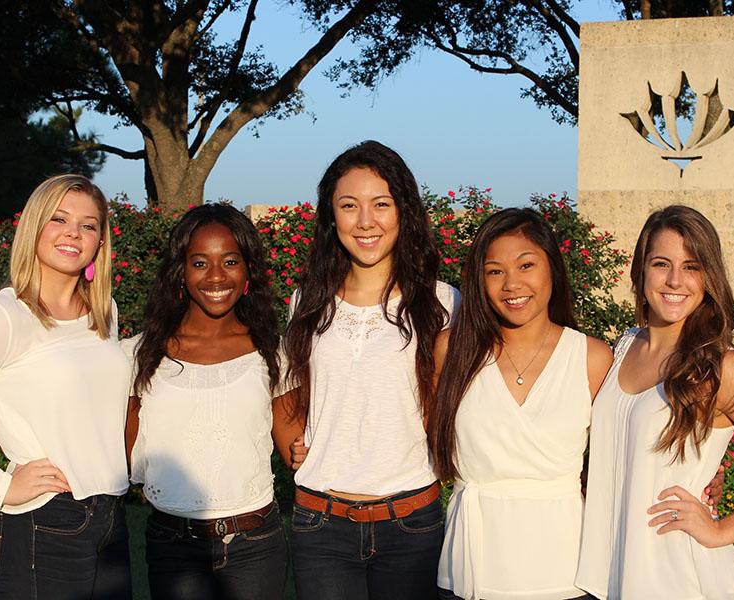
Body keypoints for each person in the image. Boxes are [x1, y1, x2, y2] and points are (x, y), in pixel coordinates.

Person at [575, 205, 734, 599]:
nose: (675, 280)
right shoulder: (623, 346)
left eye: (691, 266)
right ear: (640, 271)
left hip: (680, 577)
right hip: (612, 574)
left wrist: (721, 529)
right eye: (660, 263)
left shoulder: (722, 367)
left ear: (709, 278)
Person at [0, 174, 132, 598]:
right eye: (59, 219)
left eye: (89, 225)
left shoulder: (104, 311)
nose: (74, 233)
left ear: (100, 243)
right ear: (34, 227)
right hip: (45, 522)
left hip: (111, 518)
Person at [274, 140, 459, 600]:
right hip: (321, 524)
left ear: (404, 212)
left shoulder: (443, 302)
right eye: (349, 206)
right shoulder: (307, 301)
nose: (365, 221)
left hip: (411, 522)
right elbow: (286, 389)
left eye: (381, 204)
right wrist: (291, 446)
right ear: (330, 216)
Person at [430, 208, 613, 600]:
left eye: (526, 265)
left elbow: (622, 455)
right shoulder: (452, 350)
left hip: (564, 571)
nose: (512, 284)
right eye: (495, 271)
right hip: (470, 568)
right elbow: (412, 431)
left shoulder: (593, 358)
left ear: (552, 269)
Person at [123, 204, 287, 599]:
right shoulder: (141, 356)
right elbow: (122, 453)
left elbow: (296, 442)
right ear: (180, 271)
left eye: (230, 261)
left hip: (255, 544)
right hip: (172, 543)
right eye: (200, 262)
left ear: (248, 270)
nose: (216, 276)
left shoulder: (273, 354)